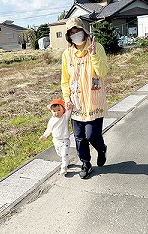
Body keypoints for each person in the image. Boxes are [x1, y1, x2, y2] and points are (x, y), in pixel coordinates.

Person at [61, 16, 108, 179]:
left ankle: (101, 149)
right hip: (76, 102)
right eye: (71, 32)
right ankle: (86, 163)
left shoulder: (97, 47)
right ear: (68, 36)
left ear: (84, 31)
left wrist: (93, 55)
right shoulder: (67, 54)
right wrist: (66, 98)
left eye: (78, 30)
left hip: (94, 100)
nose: (75, 34)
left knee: (92, 135)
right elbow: (65, 79)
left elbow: (102, 72)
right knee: (79, 137)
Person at [39, 98, 72, 176]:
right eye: (54, 111)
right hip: (56, 140)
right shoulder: (51, 120)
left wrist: (69, 107)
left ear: (63, 110)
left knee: (64, 153)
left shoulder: (65, 117)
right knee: (59, 153)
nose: (56, 112)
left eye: (59, 110)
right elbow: (49, 129)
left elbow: (69, 111)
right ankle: (66, 161)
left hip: (65, 140)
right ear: (51, 111)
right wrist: (44, 136)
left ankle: (63, 167)